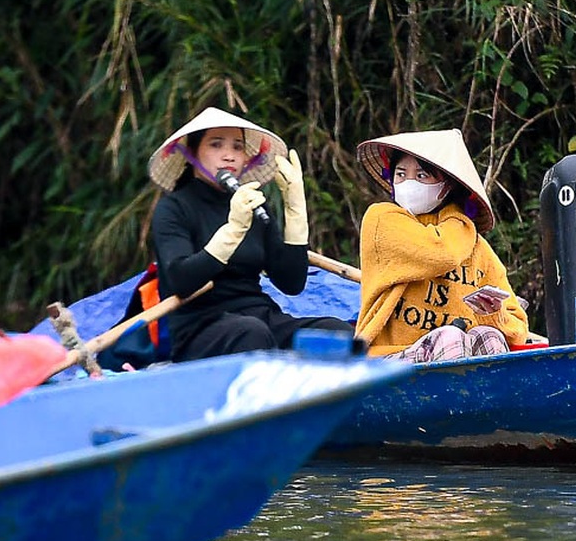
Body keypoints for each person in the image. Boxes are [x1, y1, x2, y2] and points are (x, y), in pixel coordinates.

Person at [147, 106, 352, 360]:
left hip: (261, 317)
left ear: (247, 157)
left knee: (337, 332)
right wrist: (232, 232)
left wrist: (296, 211)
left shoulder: (253, 203)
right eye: (216, 145)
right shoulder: (174, 208)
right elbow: (181, 280)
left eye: (237, 147)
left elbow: (291, 282)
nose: (228, 156)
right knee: (251, 334)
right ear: (191, 153)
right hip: (200, 327)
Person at [353, 129, 529, 361]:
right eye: (401, 174)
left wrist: (493, 315)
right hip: (387, 363)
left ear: (447, 187)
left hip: (459, 361)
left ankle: (494, 398)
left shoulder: (476, 246)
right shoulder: (382, 220)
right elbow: (440, 253)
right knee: (449, 337)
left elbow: (518, 331)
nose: (409, 183)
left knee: (487, 336)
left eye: (422, 175)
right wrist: (461, 219)